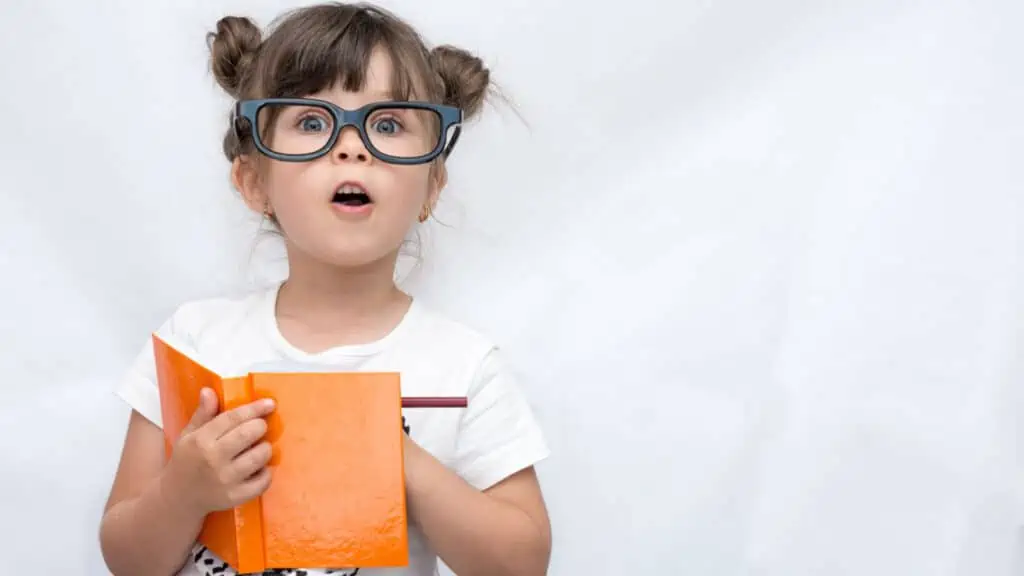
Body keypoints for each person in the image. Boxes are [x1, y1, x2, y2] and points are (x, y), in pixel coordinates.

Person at [97, 3, 552, 575]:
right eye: (311, 121)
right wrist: (182, 493)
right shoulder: (192, 341)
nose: (351, 145)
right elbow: (126, 561)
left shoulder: (463, 368)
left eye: (388, 124)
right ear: (253, 181)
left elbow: (522, 564)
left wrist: (401, 461)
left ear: (432, 186)